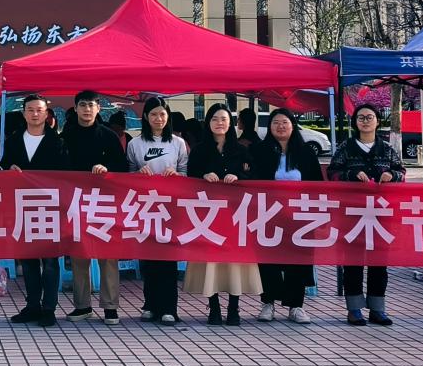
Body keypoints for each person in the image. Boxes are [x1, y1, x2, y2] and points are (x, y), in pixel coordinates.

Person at [327, 103, 405, 326]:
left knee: (379, 262)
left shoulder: (387, 149)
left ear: (378, 121)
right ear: (355, 122)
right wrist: (351, 174)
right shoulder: (346, 147)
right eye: (361, 117)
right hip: (352, 214)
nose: (365, 121)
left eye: (370, 117)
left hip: (381, 213)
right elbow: (333, 173)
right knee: (353, 261)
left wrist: (392, 175)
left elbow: (401, 172)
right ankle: (354, 309)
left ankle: (378, 309)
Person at [183, 103, 261, 326]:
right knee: (211, 261)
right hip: (208, 215)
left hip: (235, 215)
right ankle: (214, 306)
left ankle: (234, 307)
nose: (219, 123)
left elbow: (254, 175)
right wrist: (203, 176)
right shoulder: (199, 150)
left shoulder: (241, 150)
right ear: (208, 123)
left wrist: (238, 177)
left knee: (234, 261)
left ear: (231, 123)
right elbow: (190, 177)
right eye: (215, 119)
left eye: (224, 119)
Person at [1, 94, 71, 327]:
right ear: (23, 113)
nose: (34, 114)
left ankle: (49, 308)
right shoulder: (13, 140)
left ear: (46, 113)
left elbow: (66, 174)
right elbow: (4, 165)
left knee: (50, 260)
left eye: (39, 110)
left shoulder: (58, 141)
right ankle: (32, 306)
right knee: (28, 259)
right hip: (23, 205)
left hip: (50, 207)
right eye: (30, 110)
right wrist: (9, 169)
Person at [249, 108, 323, 324]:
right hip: (268, 215)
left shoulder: (305, 152)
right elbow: (251, 178)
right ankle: (268, 303)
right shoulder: (259, 150)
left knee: (298, 260)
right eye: (276, 123)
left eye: (285, 122)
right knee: (268, 259)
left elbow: (317, 184)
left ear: (292, 125)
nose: (280, 126)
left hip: (299, 216)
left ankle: (296, 306)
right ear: (270, 127)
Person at [63, 91, 128, 325]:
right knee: (79, 253)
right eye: (83, 105)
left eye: (91, 105)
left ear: (99, 108)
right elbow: (58, 167)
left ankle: (110, 307)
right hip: (75, 201)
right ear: (76, 108)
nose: (87, 109)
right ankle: (82, 305)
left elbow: (122, 167)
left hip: (104, 202)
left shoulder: (109, 136)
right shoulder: (66, 135)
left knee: (107, 255)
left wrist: (106, 169)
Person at [126, 96, 188, 325]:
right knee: (148, 257)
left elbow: (187, 173)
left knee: (168, 258)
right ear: (145, 117)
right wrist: (137, 174)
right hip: (145, 207)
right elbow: (126, 175)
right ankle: (150, 305)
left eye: (162, 114)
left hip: (171, 208)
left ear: (168, 116)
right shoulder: (135, 144)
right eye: (153, 114)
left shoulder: (178, 143)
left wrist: (177, 175)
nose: (158, 118)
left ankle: (169, 308)